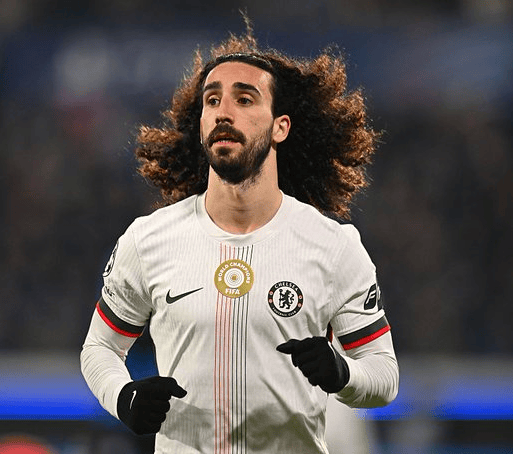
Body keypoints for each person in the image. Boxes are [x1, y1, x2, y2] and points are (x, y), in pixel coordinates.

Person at [81, 20, 398, 453]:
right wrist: (124, 397)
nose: (223, 112)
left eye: (244, 99)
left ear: (280, 127)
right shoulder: (149, 239)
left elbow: (383, 375)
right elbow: (99, 347)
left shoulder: (334, 246)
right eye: (212, 100)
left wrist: (342, 374)